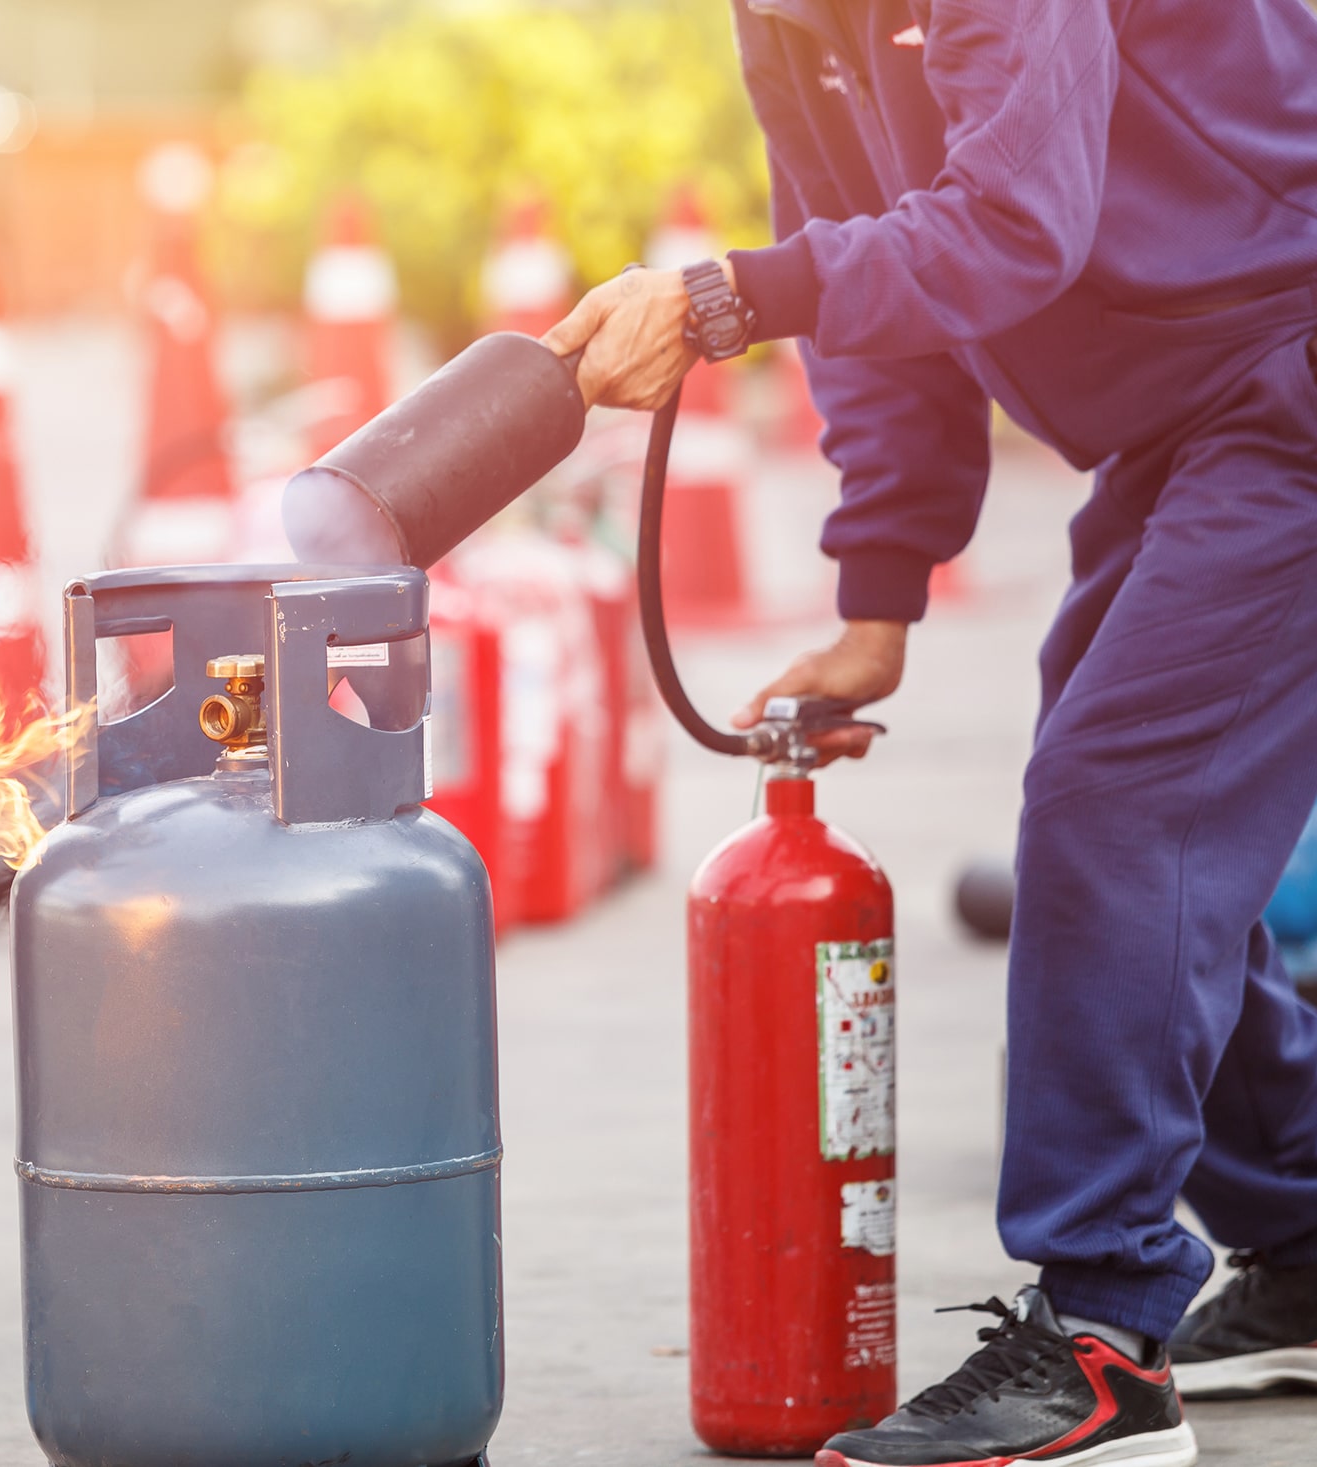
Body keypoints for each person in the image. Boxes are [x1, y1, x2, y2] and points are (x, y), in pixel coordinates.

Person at [548, 2, 1317, 1464]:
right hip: (1190, 412)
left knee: (1118, 808)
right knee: (1139, 828)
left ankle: (1101, 1346)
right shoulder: (787, 17)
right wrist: (878, 597)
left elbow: (1011, 225)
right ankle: (1303, 1222)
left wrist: (717, 301)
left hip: (1293, 368)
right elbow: (881, 304)